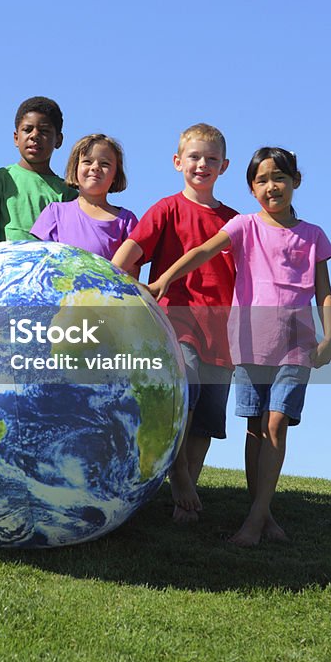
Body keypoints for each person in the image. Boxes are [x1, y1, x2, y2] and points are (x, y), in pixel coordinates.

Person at [147, 146, 331, 546]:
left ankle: (254, 521)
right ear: (252, 190)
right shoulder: (244, 226)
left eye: (279, 178)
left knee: (276, 423)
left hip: (296, 345)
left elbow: (325, 292)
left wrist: (330, 337)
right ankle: (263, 514)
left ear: (295, 182)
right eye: (262, 180)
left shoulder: (313, 235)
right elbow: (201, 252)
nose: (272, 186)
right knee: (255, 428)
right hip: (248, 345)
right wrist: (164, 280)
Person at [111, 123, 237, 524]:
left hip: (224, 329)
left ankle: (188, 488)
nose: (202, 164)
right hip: (177, 317)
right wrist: (113, 282)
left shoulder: (235, 221)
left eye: (211, 159)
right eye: (195, 157)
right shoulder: (167, 208)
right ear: (177, 161)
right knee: (186, 394)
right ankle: (178, 472)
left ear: (224, 166)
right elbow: (129, 253)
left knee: (208, 417)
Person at [0, 96, 77, 243]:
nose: (34, 135)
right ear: (16, 138)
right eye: (27, 130)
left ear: (58, 140)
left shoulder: (68, 193)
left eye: (44, 131)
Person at [31, 133, 137, 260]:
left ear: (115, 175)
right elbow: (39, 261)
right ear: (75, 169)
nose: (95, 167)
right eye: (87, 161)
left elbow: (131, 273)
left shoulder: (126, 221)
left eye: (105, 164)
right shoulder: (55, 213)